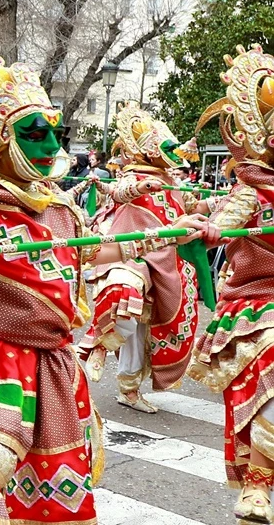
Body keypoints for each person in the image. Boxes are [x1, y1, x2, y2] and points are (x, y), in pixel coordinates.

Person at [0, 46, 208, 525]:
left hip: (51, 368)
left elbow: (94, 251)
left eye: (55, 133)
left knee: (47, 493)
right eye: (34, 134)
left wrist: (170, 236)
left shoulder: (62, 211)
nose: (50, 145)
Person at [188, 45, 274, 524]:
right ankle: (257, 487)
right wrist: (210, 227)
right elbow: (227, 216)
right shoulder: (253, 188)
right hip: (262, 303)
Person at [77, 103, 205, 413]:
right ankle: (97, 340)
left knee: (141, 331)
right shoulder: (133, 175)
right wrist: (139, 185)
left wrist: (215, 207)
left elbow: (192, 208)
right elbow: (119, 192)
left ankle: (129, 389)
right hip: (129, 254)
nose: (172, 153)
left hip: (164, 261)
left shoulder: (173, 181)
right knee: (124, 296)